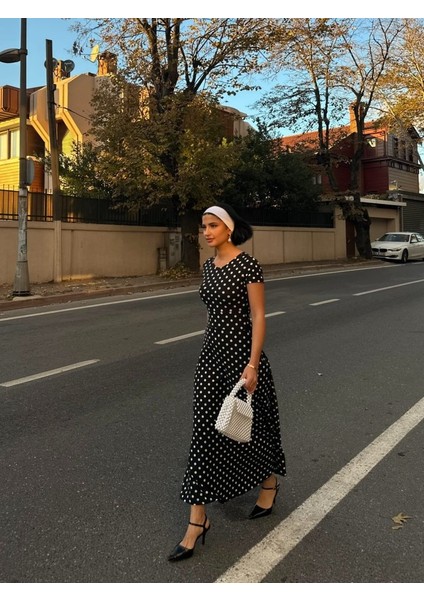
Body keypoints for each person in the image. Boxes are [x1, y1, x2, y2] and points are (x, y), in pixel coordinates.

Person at [168, 203, 286, 562]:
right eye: (204, 226)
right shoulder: (208, 266)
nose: (206, 232)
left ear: (229, 228)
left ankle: (268, 484)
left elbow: (259, 315)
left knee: (250, 426)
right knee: (206, 432)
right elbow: (212, 314)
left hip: (241, 360)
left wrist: (252, 365)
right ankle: (198, 520)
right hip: (211, 359)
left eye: (213, 225)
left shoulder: (248, 265)